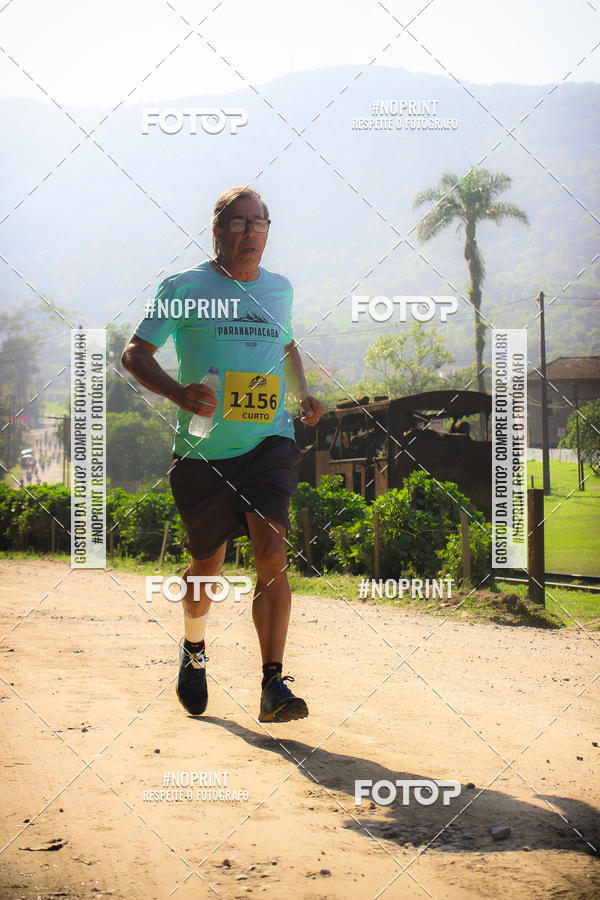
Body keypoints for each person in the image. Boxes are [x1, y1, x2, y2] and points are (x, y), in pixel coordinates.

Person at [122, 187, 323, 722]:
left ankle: (273, 684)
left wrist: (301, 393)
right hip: (202, 454)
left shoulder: (279, 289)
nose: (252, 232)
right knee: (206, 567)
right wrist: (178, 393)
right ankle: (193, 649)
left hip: (268, 445)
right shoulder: (185, 287)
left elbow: (285, 344)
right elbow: (135, 353)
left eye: (260, 223)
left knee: (272, 555)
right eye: (240, 223)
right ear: (217, 231)